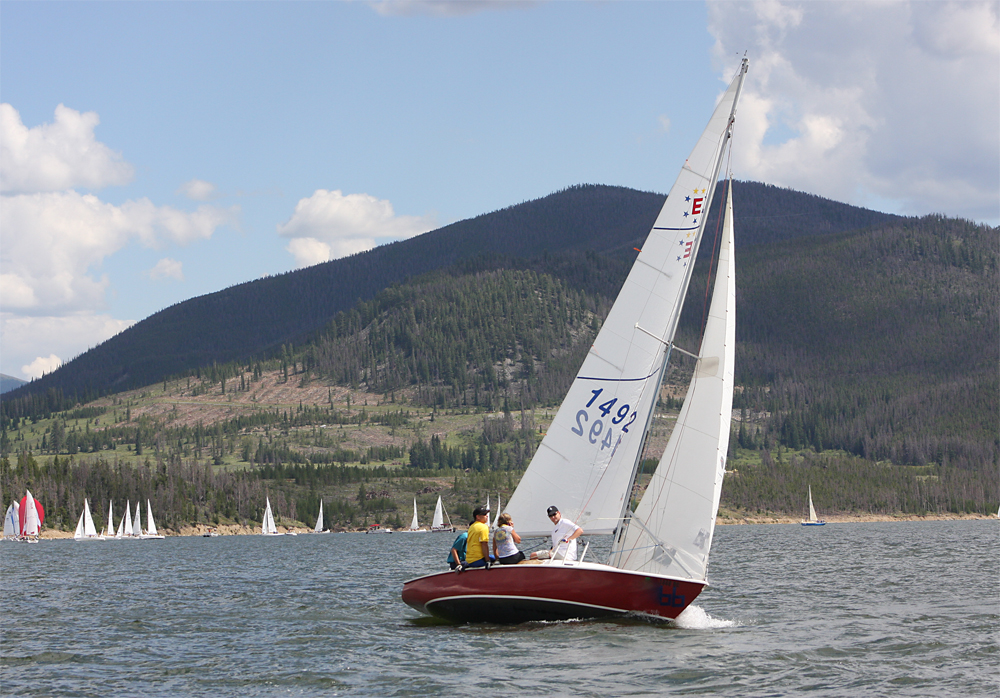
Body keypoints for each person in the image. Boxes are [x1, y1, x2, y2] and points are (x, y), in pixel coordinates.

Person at [463, 505, 495, 569]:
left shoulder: (471, 527)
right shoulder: (483, 527)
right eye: (484, 514)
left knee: (493, 557)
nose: (487, 516)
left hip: (469, 560)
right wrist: (487, 560)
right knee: (499, 558)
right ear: (477, 517)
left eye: (486, 514)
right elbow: (484, 544)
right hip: (478, 559)